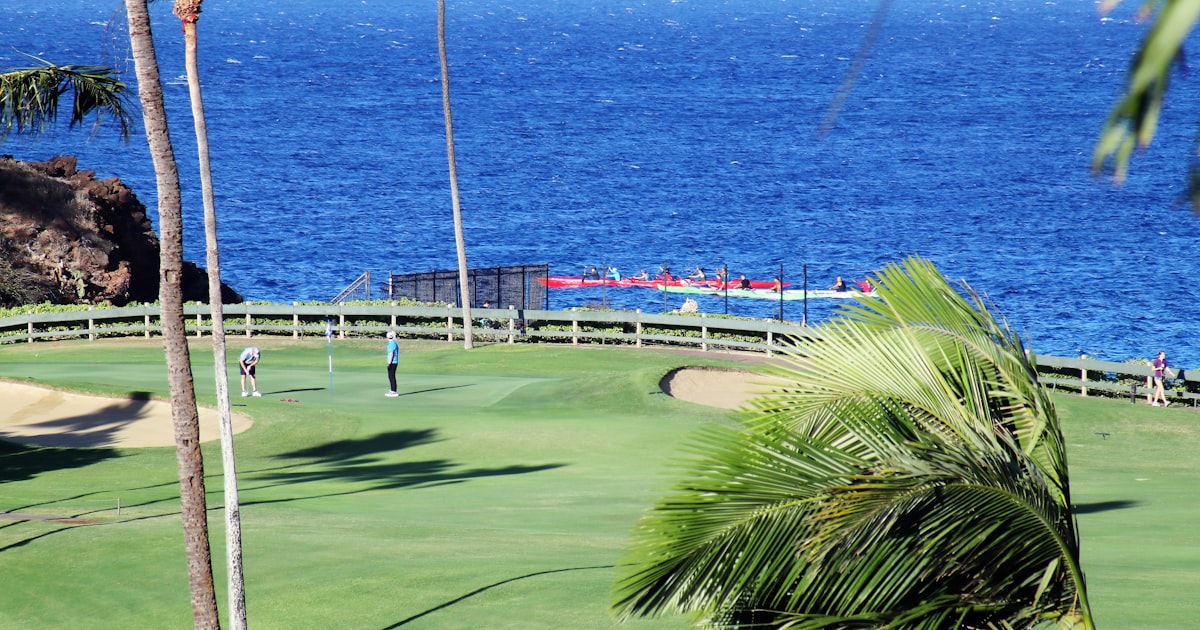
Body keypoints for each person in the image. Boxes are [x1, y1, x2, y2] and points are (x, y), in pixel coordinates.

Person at [385, 331, 400, 397]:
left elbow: (391, 354)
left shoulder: (391, 344)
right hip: (395, 362)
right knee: (391, 376)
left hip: (392, 362)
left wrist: (389, 363)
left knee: (391, 377)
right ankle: (392, 390)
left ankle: (393, 391)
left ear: (387, 337)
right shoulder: (394, 343)